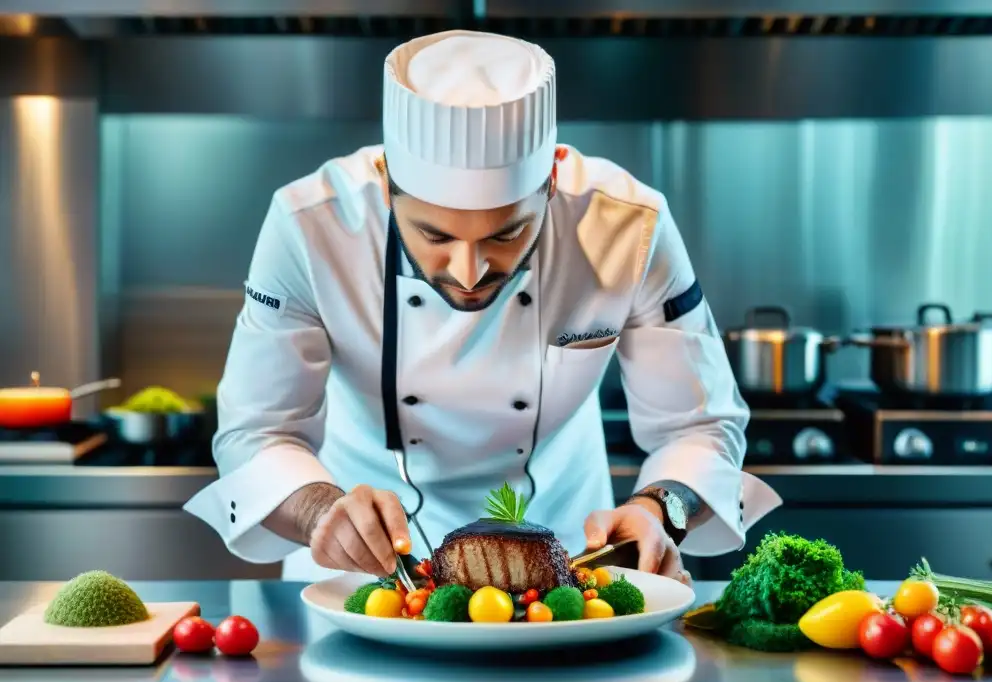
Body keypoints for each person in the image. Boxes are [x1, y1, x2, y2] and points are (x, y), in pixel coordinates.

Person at [184, 29, 781, 584]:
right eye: (436, 238)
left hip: (572, 576)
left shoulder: (627, 226)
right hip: (363, 579)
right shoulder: (310, 226)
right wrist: (321, 513)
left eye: (505, 235)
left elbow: (699, 426)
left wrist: (661, 510)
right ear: (389, 183)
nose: (470, 274)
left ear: (550, 181)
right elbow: (258, 431)